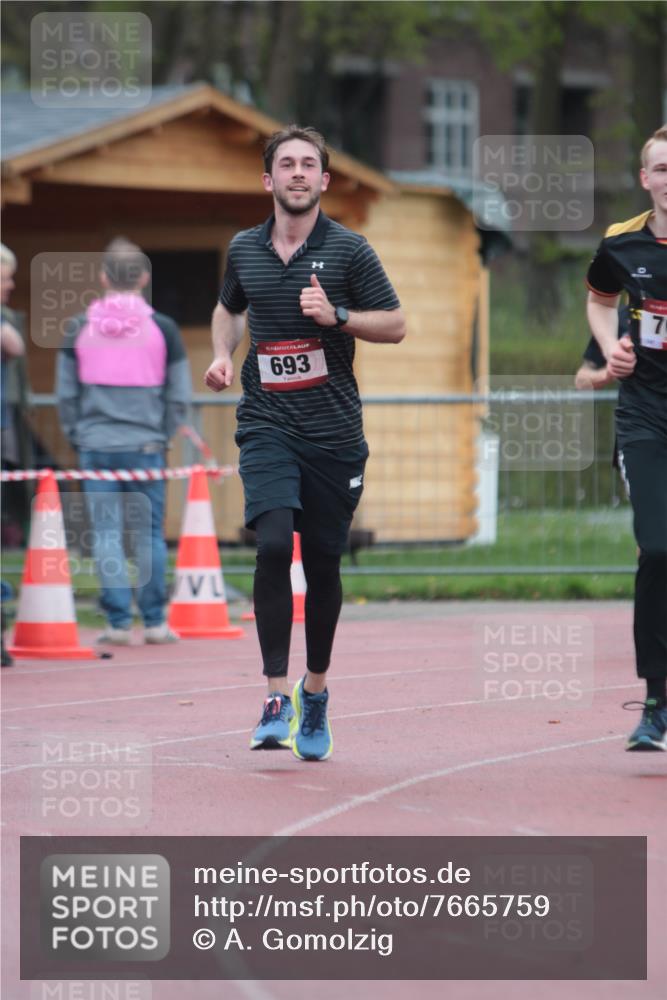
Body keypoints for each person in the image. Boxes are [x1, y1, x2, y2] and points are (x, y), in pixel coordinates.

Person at [205, 125, 406, 760]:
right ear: (268, 180)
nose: (296, 173)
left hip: (334, 436)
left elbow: (396, 324)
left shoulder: (350, 251)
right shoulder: (244, 247)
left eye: (308, 165)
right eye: (285, 164)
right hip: (267, 424)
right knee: (270, 546)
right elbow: (229, 308)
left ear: (323, 181)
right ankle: (274, 695)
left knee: (322, 563)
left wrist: (339, 317)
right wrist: (219, 354)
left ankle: (314, 689)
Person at [56, 238, 192, 645]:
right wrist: (161, 434)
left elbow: (66, 396)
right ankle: (153, 622)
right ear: (144, 278)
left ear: (102, 278)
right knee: (149, 533)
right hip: (147, 446)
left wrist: (78, 436)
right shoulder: (163, 329)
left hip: (95, 445)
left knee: (106, 534)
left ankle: (117, 623)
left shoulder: (78, 328)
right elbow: (179, 395)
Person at [586, 125, 667, 751]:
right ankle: (656, 702)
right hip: (644, 416)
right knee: (657, 550)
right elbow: (599, 297)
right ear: (645, 179)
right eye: (661, 169)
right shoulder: (621, 242)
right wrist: (612, 343)